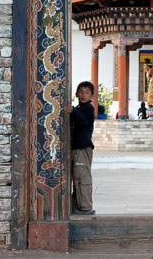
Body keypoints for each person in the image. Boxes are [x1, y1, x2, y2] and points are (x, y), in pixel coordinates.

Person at [64, 81, 96, 215]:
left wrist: (73, 111)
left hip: (83, 147)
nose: (83, 95)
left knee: (83, 177)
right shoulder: (80, 107)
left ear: (92, 95)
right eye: (81, 92)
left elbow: (83, 122)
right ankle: (77, 205)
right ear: (76, 94)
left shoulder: (88, 108)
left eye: (87, 93)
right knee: (77, 176)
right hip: (78, 147)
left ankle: (86, 206)